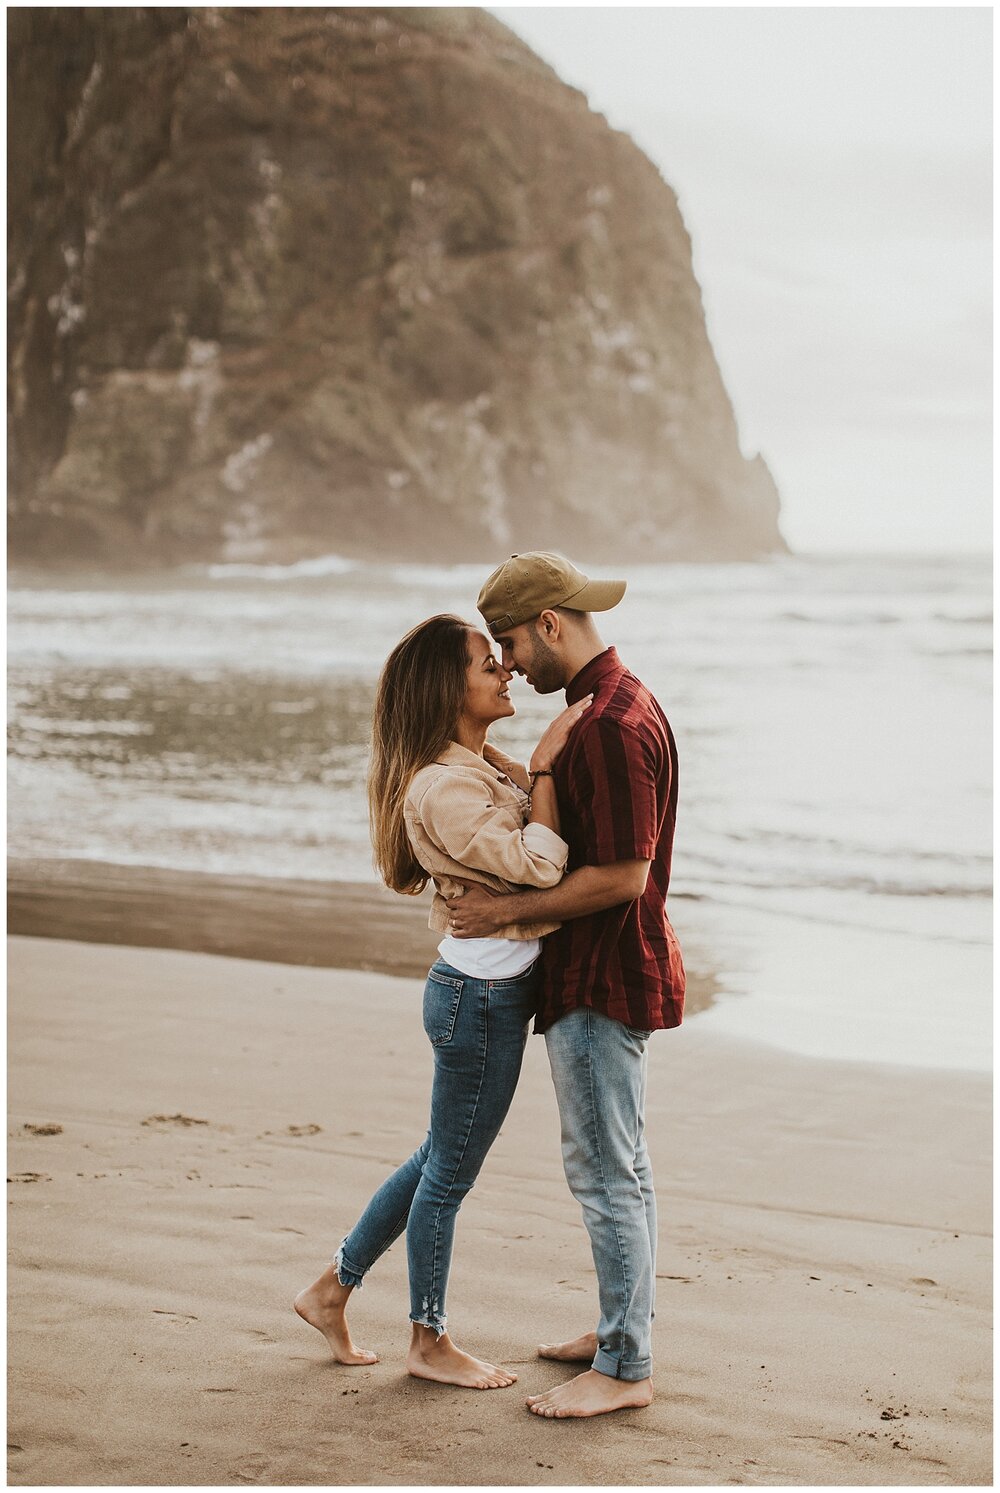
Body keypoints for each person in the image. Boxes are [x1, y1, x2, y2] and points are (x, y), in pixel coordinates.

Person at [295, 613, 591, 1391]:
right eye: (484, 663)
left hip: (484, 993)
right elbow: (540, 864)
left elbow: (524, 840)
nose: (504, 672)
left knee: (438, 1156)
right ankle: (427, 1337)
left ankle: (331, 1290)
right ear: (446, 687)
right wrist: (550, 766)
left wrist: (525, 768)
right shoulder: (445, 785)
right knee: (449, 1174)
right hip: (481, 1002)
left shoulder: (471, 768)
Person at [445, 552, 685, 1419]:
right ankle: (622, 1327)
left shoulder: (610, 724)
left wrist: (505, 913)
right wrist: (514, 764)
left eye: (510, 643)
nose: (507, 663)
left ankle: (625, 1366)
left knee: (603, 1170)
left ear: (550, 623)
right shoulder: (606, 709)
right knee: (624, 1161)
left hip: (602, 971)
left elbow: (621, 873)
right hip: (606, 966)